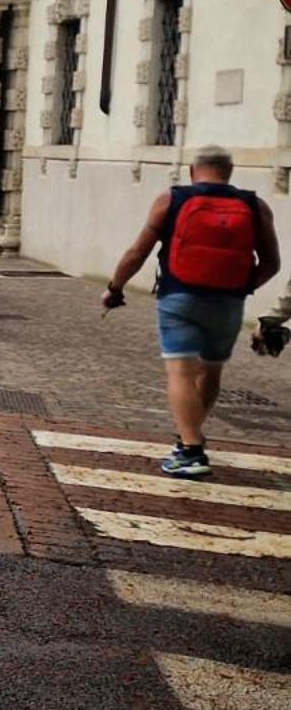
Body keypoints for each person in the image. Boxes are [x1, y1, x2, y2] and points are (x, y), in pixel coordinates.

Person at [102, 146, 280, 478]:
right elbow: (272, 264)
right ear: (229, 171)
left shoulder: (171, 199)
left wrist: (115, 287)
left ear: (192, 170)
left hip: (179, 297)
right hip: (228, 303)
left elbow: (137, 251)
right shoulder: (255, 206)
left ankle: (192, 450)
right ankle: (188, 439)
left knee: (181, 373)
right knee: (210, 374)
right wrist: (241, 286)